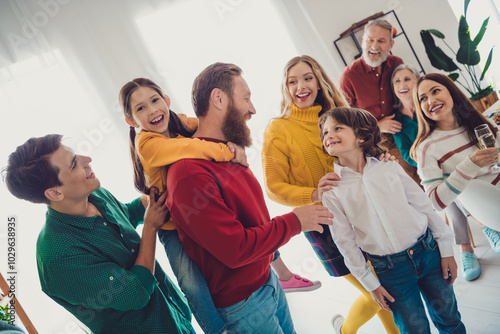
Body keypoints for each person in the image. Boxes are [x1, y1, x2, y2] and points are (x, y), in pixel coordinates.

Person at [165, 62, 333, 334]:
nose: (252, 109)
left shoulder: (225, 152)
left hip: (267, 281)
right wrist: (295, 221)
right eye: (246, 99)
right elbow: (235, 250)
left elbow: (253, 219)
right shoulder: (189, 175)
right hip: (244, 306)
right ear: (218, 99)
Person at [262, 55, 399, 334]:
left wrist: (380, 155)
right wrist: (313, 193)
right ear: (285, 87)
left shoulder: (341, 116)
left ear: (319, 81)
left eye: (308, 78)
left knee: (386, 287)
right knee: (377, 293)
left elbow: (365, 150)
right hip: (322, 222)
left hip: (363, 210)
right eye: (293, 81)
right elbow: (274, 186)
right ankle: (346, 331)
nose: (301, 86)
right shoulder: (278, 129)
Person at [3, 134, 193, 334]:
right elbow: (136, 292)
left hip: (176, 317)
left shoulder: (94, 194)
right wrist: (150, 228)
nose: (87, 160)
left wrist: (150, 199)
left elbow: (124, 217)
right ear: (55, 193)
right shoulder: (59, 257)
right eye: (74, 164)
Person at [319, 107, 466, 334]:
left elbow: (423, 206)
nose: (328, 135)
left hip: (428, 252)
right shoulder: (332, 191)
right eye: (325, 132)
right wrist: (371, 285)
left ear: (361, 136)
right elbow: (344, 241)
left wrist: (447, 250)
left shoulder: (388, 165)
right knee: (413, 328)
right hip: (389, 270)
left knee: (449, 317)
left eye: (337, 128)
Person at [410, 73, 500, 280]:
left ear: (451, 92)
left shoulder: (477, 124)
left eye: (435, 91)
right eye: (422, 98)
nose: (430, 100)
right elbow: (436, 201)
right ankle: (469, 246)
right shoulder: (426, 148)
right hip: (489, 207)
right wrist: (470, 164)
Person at [338, 19, 404, 134]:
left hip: (403, 127)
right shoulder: (348, 76)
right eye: (370, 40)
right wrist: (377, 126)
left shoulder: (397, 64)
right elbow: (343, 120)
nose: (374, 46)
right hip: (372, 137)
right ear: (363, 42)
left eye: (381, 41)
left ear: (390, 45)